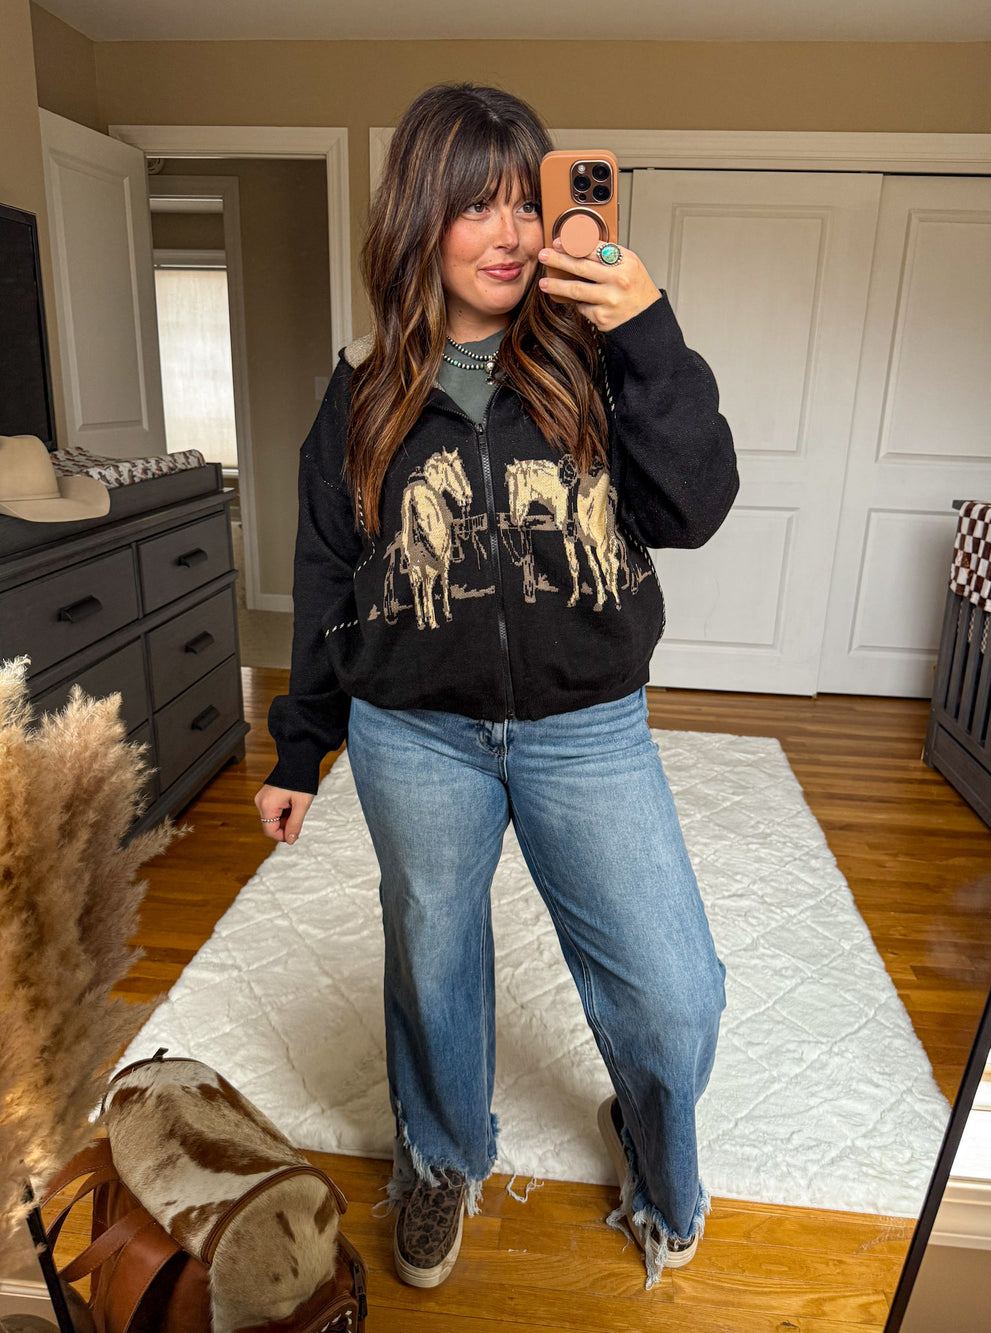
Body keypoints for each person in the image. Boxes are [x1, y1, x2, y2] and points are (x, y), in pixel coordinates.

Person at [254, 82, 738, 1291]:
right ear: (420, 220)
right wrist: (300, 744)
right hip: (414, 735)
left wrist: (648, 329)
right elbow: (327, 576)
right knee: (432, 960)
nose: (513, 233)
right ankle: (441, 1151)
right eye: (477, 206)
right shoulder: (360, 393)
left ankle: (649, 1137)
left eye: (528, 202)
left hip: (588, 729)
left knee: (674, 993)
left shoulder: (597, 362)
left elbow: (696, 508)